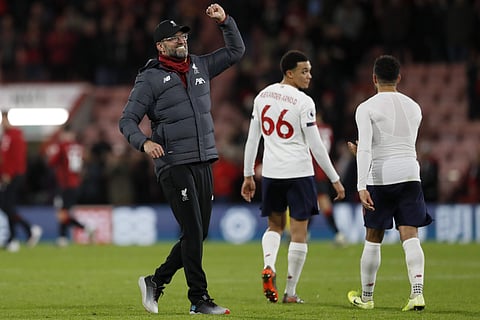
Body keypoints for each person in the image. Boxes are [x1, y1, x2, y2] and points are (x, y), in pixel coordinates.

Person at [119, 3, 244, 315]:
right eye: (175, 38)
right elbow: (127, 121)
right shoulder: (149, 79)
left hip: (203, 159)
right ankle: (198, 299)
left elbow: (236, 51)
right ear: (161, 46)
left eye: (184, 36)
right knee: (193, 231)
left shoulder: (201, 65)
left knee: (197, 234)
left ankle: (155, 281)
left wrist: (225, 22)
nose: (182, 41)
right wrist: (144, 143)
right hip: (173, 163)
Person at [241, 50, 345, 304]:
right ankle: (290, 292)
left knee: (274, 226)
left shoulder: (262, 96)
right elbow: (316, 145)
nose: (309, 75)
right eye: (304, 71)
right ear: (289, 73)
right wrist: (334, 178)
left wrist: (248, 175)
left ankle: (268, 265)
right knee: (299, 233)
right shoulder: (304, 102)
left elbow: (253, 138)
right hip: (299, 173)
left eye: (309, 70)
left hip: (272, 173)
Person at [346, 55, 433, 311]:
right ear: (399, 78)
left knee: (373, 236)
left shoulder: (366, 107)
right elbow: (401, 142)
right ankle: (417, 293)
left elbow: (367, 151)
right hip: (410, 173)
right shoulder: (414, 106)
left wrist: (361, 185)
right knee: (411, 235)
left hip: (381, 177)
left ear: (373, 78)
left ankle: (367, 297)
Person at [0, 111, 42, 252]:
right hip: (12, 175)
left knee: (7, 206)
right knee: (7, 207)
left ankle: (25, 231)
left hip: (13, 175)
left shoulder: (13, 136)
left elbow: (12, 158)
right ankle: (15, 238)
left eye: (3, 120)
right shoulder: (11, 136)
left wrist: (7, 174)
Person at [46, 125, 93, 247]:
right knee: (64, 211)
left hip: (65, 184)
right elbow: (80, 165)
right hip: (76, 183)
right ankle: (63, 238)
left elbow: (52, 162)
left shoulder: (62, 146)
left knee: (62, 212)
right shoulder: (79, 147)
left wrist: (51, 153)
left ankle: (85, 228)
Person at [312, 113, 346, 246]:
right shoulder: (328, 130)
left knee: (316, 203)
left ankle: (338, 233)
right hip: (323, 172)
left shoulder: (311, 129)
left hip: (312, 170)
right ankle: (338, 234)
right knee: (317, 203)